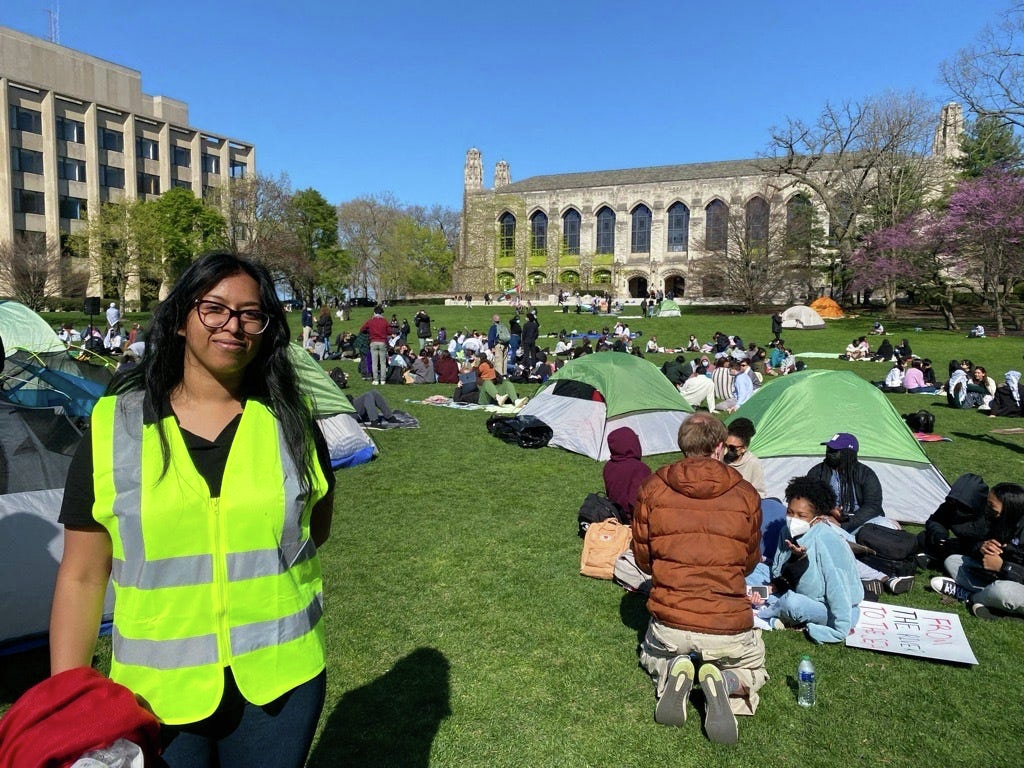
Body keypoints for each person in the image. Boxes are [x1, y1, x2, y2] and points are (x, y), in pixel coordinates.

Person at [49, 252, 335, 765]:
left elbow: (316, 528)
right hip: (154, 694)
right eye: (215, 309)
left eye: (251, 314)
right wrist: (70, 701)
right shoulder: (115, 425)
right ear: (181, 318)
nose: (234, 325)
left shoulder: (293, 422)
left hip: (282, 685)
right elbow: (82, 577)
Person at [632, 413, 765, 744]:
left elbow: (644, 560)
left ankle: (673, 672)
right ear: (720, 448)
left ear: (682, 445)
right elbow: (748, 563)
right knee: (755, 666)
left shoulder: (653, 487)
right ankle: (730, 680)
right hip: (727, 625)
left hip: (671, 623)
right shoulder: (746, 493)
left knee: (652, 655)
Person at [757, 476, 863, 643]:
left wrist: (838, 631)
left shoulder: (827, 541)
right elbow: (778, 571)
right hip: (795, 589)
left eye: (801, 515)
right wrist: (780, 578)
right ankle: (774, 608)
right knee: (755, 572)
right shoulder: (786, 532)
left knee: (792, 603)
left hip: (827, 604)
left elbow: (838, 590)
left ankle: (771, 613)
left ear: (817, 519)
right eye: (790, 512)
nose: (793, 519)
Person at [805, 432, 913, 595]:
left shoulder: (865, 473)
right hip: (831, 523)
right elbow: (809, 500)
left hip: (860, 524)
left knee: (888, 526)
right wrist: (830, 510)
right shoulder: (818, 472)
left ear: (848, 454)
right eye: (828, 448)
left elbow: (873, 506)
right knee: (823, 532)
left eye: (834, 450)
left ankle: (860, 555)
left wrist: (845, 524)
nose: (829, 453)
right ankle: (883, 577)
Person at [932, 482, 1024, 620]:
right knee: (954, 561)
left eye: (991, 507)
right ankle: (988, 598)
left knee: (1002, 591)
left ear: (1010, 509)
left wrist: (1003, 567)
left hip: (1012, 583)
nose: (987, 509)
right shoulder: (1002, 521)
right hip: (1002, 578)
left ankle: (970, 596)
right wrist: (982, 547)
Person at [603, 427, 651, 523]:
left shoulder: (609, 466)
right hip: (632, 520)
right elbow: (636, 500)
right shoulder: (640, 469)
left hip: (614, 514)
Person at [724, 418, 766, 498]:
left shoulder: (753, 463)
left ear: (744, 448)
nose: (727, 450)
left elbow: (759, 493)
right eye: (725, 446)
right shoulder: (719, 458)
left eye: (732, 447)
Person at [360, 305, 390, 386]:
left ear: (374, 312)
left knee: (374, 362)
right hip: (382, 342)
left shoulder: (370, 321)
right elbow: (389, 331)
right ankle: (383, 380)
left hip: (373, 342)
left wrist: (369, 332)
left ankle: (376, 379)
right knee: (383, 363)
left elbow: (362, 329)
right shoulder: (385, 321)